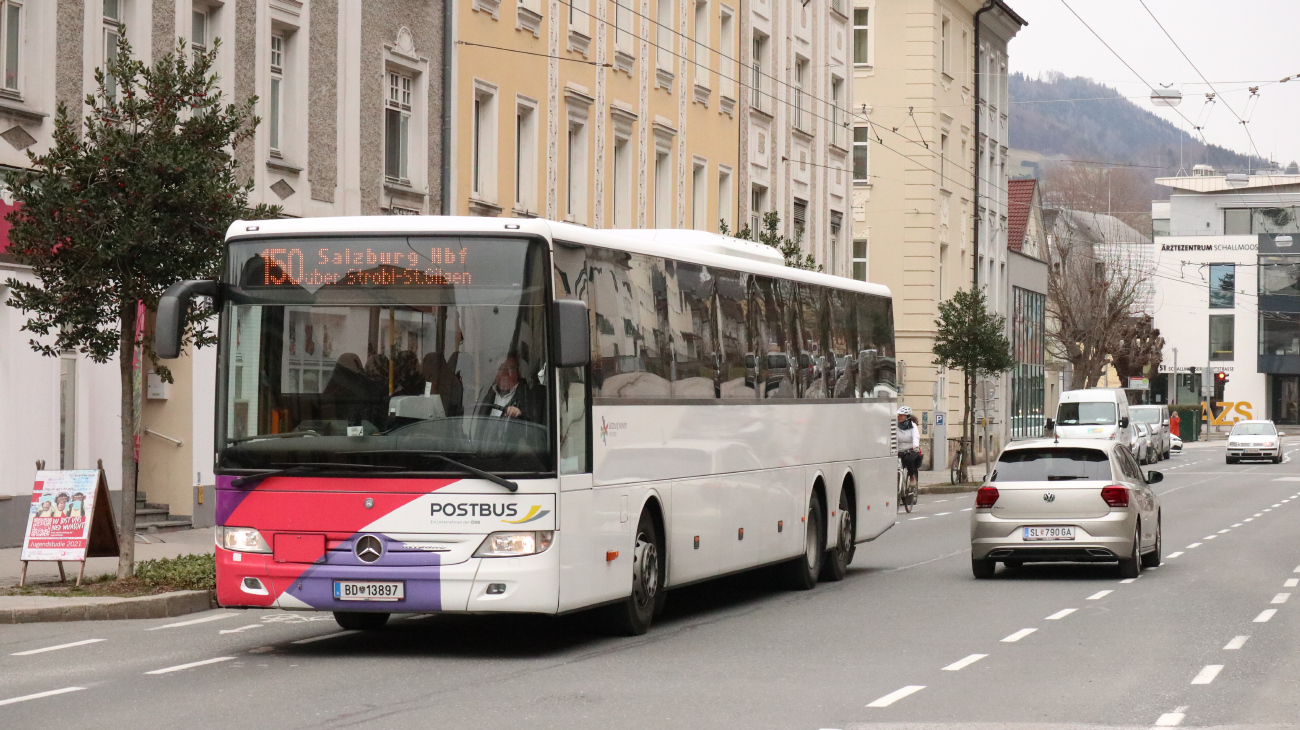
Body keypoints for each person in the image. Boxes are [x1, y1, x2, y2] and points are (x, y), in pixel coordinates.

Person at [475, 354, 543, 424]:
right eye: (500, 368)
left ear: (518, 372)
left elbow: (534, 423)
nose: (505, 373)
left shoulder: (529, 396)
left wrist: (520, 414)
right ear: (494, 373)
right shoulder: (485, 393)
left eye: (510, 368)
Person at [897, 405, 922, 488]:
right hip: (899, 449)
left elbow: (916, 437)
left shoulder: (913, 426)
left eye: (901, 416)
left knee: (909, 460)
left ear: (907, 417)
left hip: (910, 449)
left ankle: (912, 477)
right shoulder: (895, 425)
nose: (899, 417)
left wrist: (915, 446)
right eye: (899, 415)